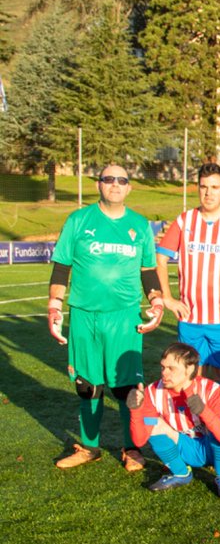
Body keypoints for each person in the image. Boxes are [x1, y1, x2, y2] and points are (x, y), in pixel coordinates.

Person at [48, 164, 165, 471]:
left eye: (121, 180)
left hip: (124, 317)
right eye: (108, 179)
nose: (115, 184)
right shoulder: (78, 220)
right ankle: (89, 447)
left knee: (127, 387)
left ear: (129, 188)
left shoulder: (139, 226)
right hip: (85, 315)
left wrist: (156, 300)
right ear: (98, 184)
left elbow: (148, 270)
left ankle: (133, 448)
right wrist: (54, 305)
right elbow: (61, 266)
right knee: (88, 385)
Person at [156, 162, 220, 403]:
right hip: (191, 317)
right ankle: (193, 423)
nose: (209, 193)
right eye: (203, 187)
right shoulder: (185, 220)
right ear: (197, 189)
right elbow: (160, 256)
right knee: (191, 373)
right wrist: (168, 298)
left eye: (214, 187)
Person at [128, 342, 220, 495]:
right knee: (155, 424)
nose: (164, 373)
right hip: (188, 447)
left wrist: (203, 411)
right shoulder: (153, 392)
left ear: (190, 369)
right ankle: (181, 473)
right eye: (163, 367)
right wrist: (135, 411)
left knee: (218, 425)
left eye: (171, 369)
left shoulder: (212, 390)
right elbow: (139, 441)